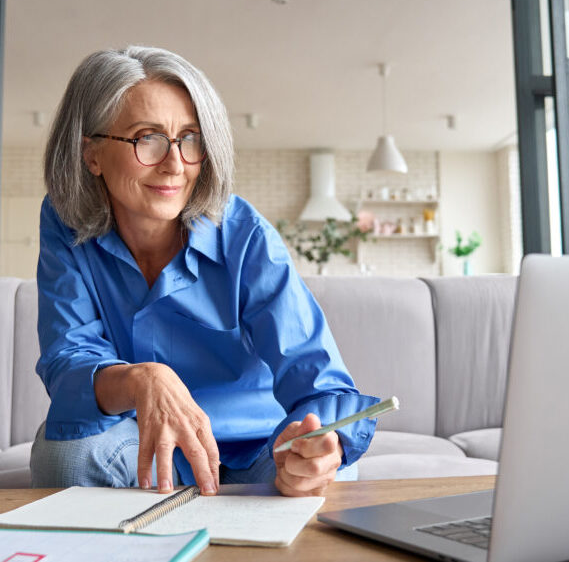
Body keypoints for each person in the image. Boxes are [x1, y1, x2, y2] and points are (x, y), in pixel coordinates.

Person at [30, 46, 379, 497]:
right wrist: (140, 379)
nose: (175, 164)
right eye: (147, 138)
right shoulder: (64, 222)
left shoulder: (245, 234)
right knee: (65, 455)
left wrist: (319, 445)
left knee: (326, 478)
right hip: (141, 449)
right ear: (91, 153)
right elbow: (68, 360)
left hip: (258, 452)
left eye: (190, 139)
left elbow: (317, 380)